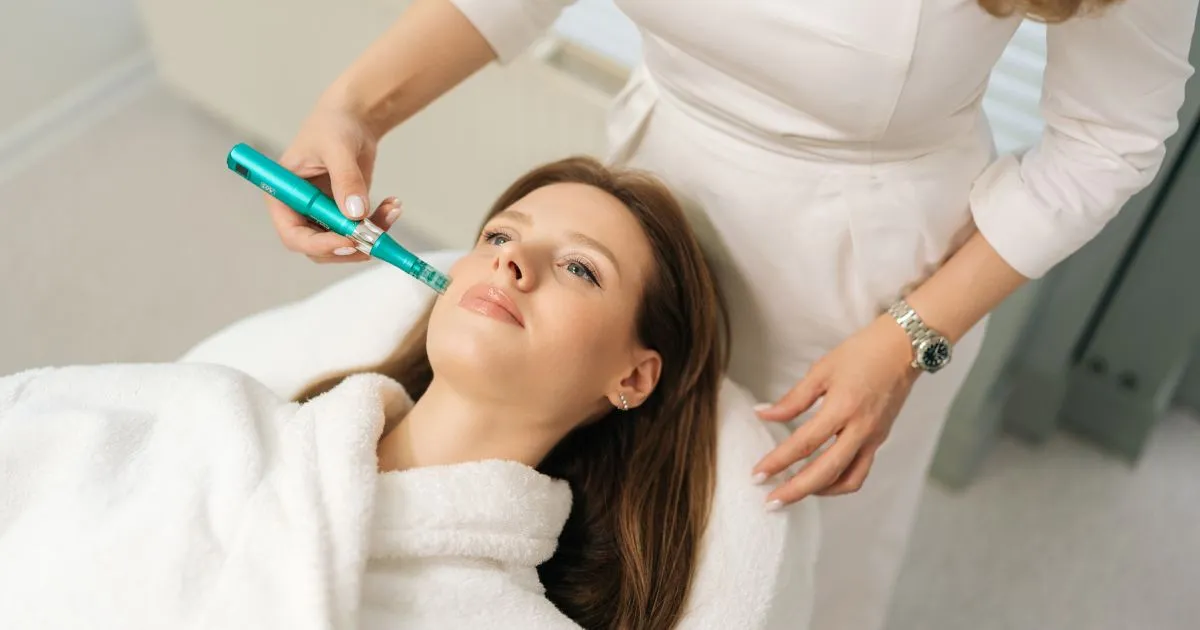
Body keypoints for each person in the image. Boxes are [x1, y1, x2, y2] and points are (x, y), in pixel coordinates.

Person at [264, 1, 1200, 628]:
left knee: (784, 549)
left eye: (565, 263)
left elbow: (1109, 141)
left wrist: (906, 338)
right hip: (655, 171)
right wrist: (356, 106)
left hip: (860, 284)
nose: (507, 259)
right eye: (504, 234)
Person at [0, 158, 745, 630]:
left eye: (581, 269)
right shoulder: (204, 413)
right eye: (497, 238)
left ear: (633, 377)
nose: (513, 260)